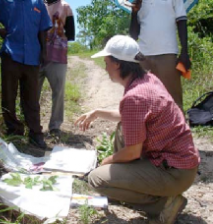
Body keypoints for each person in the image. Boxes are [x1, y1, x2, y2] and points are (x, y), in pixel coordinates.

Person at [75, 35, 200, 224]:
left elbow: (132, 152)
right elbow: (132, 116)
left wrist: (107, 162)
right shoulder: (147, 80)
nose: (105, 66)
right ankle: (127, 184)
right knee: (121, 127)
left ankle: (163, 204)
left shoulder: (135, 96)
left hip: (173, 172)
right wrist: (98, 112)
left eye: (106, 61)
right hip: (180, 164)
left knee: (96, 179)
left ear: (117, 64)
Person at [0, 0, 52, 149]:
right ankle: (15, 131)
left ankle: (35, 134)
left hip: (32, 57)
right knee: (8, 97)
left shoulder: (38, 3)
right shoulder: (4, 2)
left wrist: (44, 51)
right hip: (10, 56)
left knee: (32, 99)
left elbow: (43, 29)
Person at [129, 0, 191, 109]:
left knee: (173, 100)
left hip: (167, 53)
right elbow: (134, 35)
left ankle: (178, 125)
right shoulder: (138, 1)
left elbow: (182, 21)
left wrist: (184, 52)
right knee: (144, 99)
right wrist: (134, 12)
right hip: (144, 56)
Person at [39, 0, 75, 137]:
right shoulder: (37, 4)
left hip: (57, 57)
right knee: (31, 93)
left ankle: (55, 126)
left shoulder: (65, 7)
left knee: (58, 92)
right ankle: (32, 125)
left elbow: (70, 34)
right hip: (35, 56)